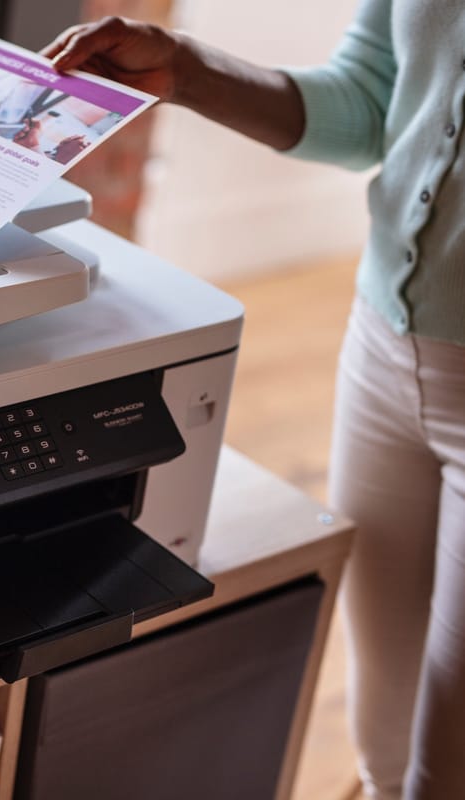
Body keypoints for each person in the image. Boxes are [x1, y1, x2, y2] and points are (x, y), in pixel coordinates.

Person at [43, 6, 465, 799]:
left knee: (448, 766)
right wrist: (184, 70)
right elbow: (373, 102)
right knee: (383, 729)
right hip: (383, 346)